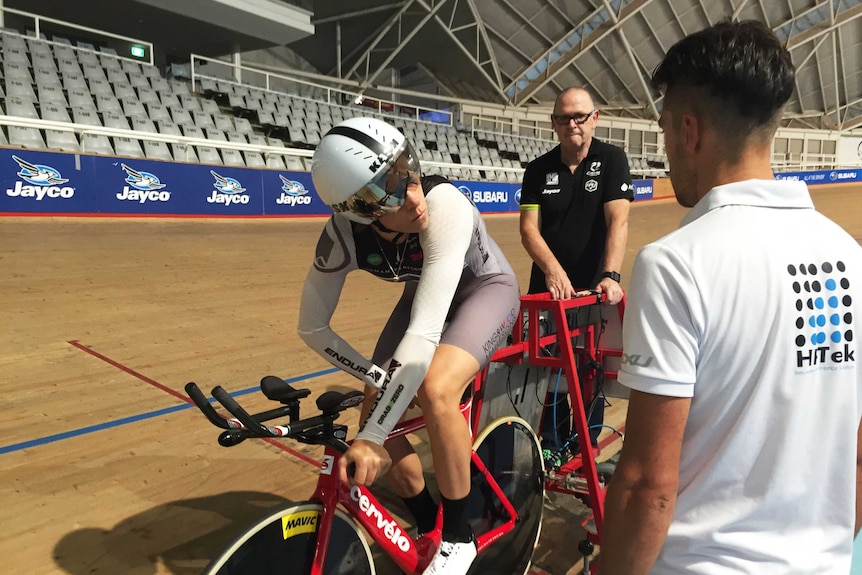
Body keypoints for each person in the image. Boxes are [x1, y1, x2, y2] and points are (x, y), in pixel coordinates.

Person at [602, 20, 862, 574]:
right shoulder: (850, 257)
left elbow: (649, 485)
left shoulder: (675, 264)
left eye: (665, 131)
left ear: (689, 131)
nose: (668, 151)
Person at [297, 117, 520, 575]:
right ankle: (429, 526)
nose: (415, 196)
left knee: (436, 389)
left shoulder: (445, 206)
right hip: (424, 295)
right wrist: (372, 376)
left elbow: (424, 336)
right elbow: (312, 327)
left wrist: (376, 437)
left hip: (486, 290)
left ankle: (460, 540)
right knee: (375, 404)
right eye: (394, 191)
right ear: (358, 209)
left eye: (410, 172)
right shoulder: (341, 235)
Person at [519, 87, 633, 451]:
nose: (573, 124)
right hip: (548, 294)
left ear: (594, 118)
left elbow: (618, 221)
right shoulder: (537, 170)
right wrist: (552, 270)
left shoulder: (612, 160)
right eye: (564, 117)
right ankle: (552, 447)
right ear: (554, 123)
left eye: (579, 116)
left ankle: (586, 445)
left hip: (592, 293)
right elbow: (528, 230)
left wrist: (610, 276)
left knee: (590, 374)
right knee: (548, 374)